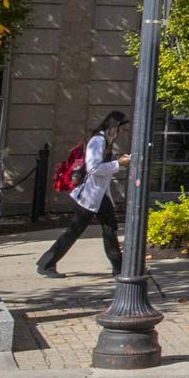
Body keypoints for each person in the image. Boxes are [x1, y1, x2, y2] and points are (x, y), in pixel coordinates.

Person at [36, 111, 128, 278]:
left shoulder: (103, 141)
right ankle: (46, 263)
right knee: (77, 230)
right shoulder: (98, 140)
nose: (121, 132)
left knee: (109, 227)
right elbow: (93, 168)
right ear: (114, 126)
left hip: (98, 195)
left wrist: (117, 162)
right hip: (89, 195)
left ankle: (119, 267)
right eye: (121, 128)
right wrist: (118, 164)